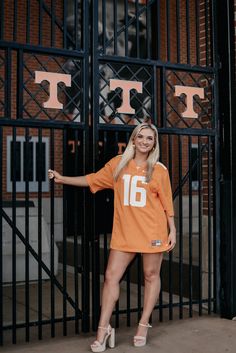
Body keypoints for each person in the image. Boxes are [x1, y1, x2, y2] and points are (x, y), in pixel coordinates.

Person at [48, 122, 176, 352]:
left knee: (150, 275)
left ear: (154, 143)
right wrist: (62, 178)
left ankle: (143, 325)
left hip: (152, 231)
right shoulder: (118, 165)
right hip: (125, 233)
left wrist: (172, 229)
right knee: (110, 277)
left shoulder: (159, 169)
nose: (145, 142)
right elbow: (93, 179)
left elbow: (167, 203)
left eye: (150, 138)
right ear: (134, 140)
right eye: (141, 137)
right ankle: (103, 329)